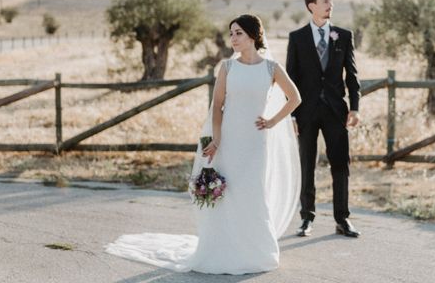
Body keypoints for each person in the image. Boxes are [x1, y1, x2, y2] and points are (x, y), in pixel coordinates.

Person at [105, 14, 302, 274]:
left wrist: (272, 121)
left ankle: (257, 251)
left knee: (253, 192)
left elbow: (295, 98)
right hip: (228, 139)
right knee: (229, 194)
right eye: (231, 33)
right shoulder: (228, 68)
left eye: (238, 33)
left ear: (253, 36)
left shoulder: (271, 68)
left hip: (256, 142)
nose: (233, 38)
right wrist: (216, 139)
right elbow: (217, 106)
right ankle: (223, 248)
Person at [286, 0, 362, 238]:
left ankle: (343, 219)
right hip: (305, 112)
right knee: (307, 165)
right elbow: (291, 79)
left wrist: (355, 108)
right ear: (312, 6)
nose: (331, 5)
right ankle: (307, 218)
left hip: (335, 111)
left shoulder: (344, 35)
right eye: (326, 1)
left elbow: (352, 75)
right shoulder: (297, 38)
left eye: (332, 1)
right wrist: (292, 115)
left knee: (340, 165)